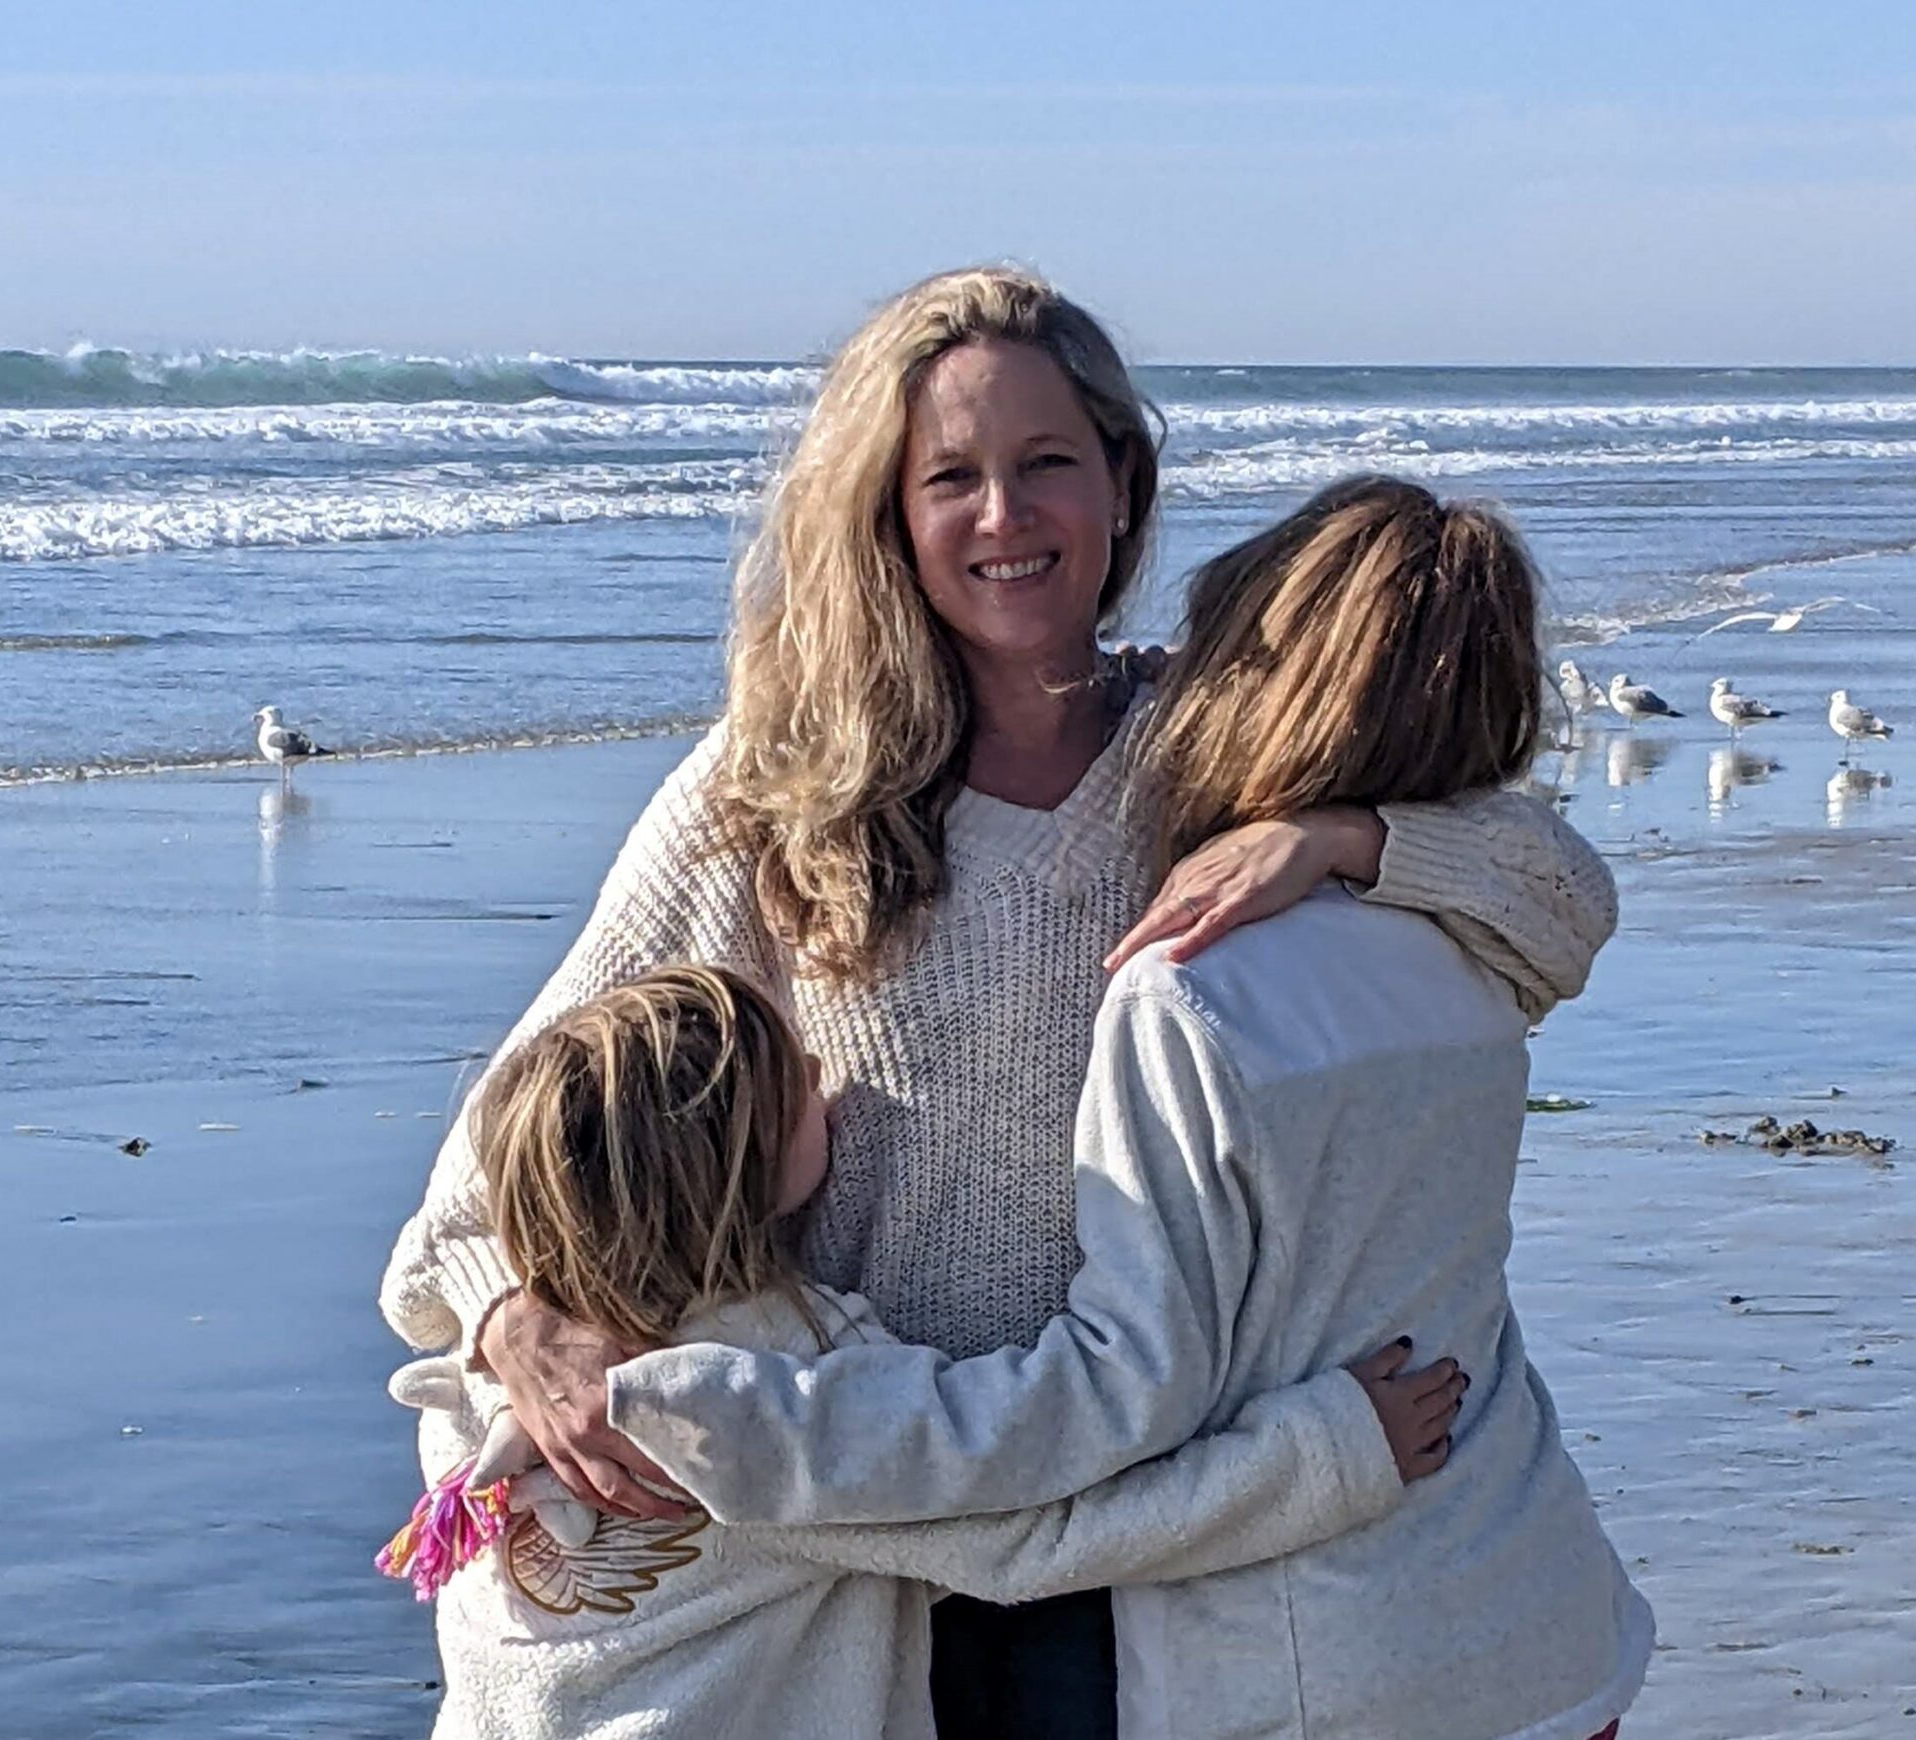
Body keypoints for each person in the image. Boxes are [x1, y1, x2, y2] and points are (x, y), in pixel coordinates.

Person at [382, 267, 1617, 1737]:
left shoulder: (1215, 763)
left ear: (1121, 482)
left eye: (1047, 466)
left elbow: (1555, 900)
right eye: (949, 477)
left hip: (1147, 1522)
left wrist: (1350, 837)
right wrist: (517, 1319)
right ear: (888, 519)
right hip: (859, 1525)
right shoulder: (776, 794)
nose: (1004, 517)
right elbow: (515, 1141)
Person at [604, 479, 1653, 1740]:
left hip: (1307, 1656)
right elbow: (1560, 889)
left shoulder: (1192, 992)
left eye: (1216, 649)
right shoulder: (1473, 947)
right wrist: (1349, 839)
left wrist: (738, 1437)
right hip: (1536, 1614)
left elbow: (1129, 1389)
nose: (1177, 679)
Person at [385, 963, 1465, 1740]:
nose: (825, 1071)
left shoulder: (473, 1381)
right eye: (793, 1084)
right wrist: (1325, 1455)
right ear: (740, 1171)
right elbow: (1037, 1536)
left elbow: (416, 1282)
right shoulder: (776, 1395)